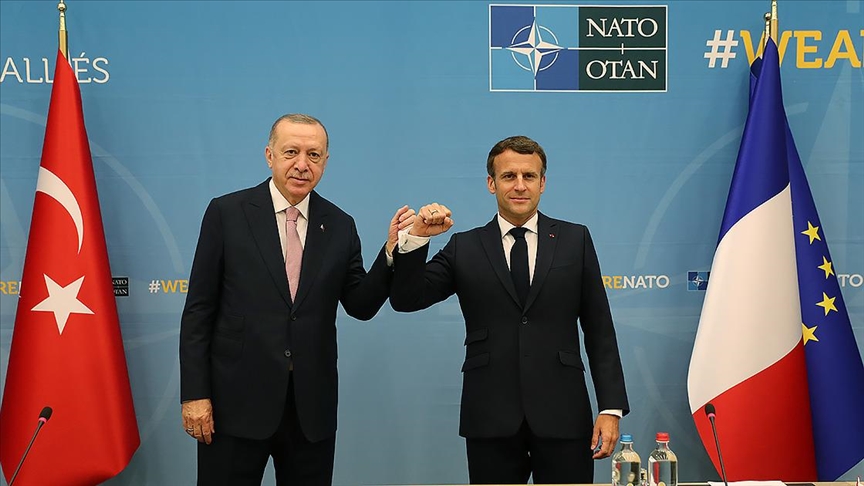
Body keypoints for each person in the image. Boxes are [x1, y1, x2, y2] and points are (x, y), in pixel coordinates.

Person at [179, 113, 413, 485]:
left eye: (313, 155)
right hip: (235, 404)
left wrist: (390, 252)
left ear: (325, 162)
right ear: (269, 155)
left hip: (310, 410)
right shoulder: (227, 213)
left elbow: (361, 305)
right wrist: (195, 394)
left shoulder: (339, 224)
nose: (302, 165)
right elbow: (199, 310)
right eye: (291, 152)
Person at [390, 135, 629, 484]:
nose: (519, 185)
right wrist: (417, 239)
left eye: (529, 176)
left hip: (563, 414)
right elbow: (406, 299)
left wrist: (610, 407)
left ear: (543, 183)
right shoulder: (464, 246)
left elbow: (599, 329)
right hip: (490, 418)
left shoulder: (575, 240)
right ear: (491, 183)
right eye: (508, 176)